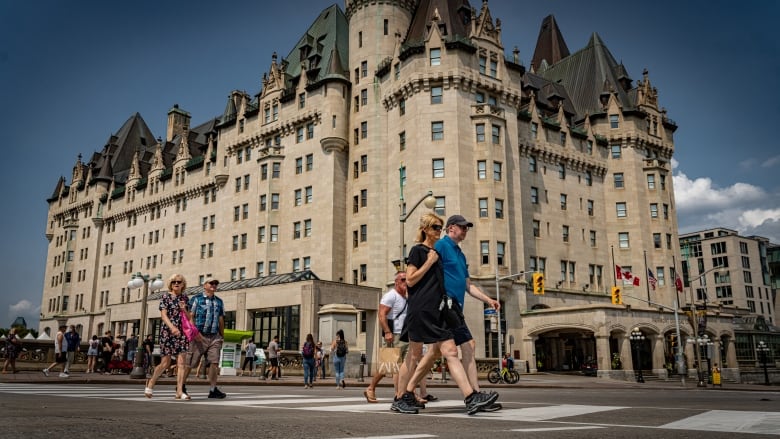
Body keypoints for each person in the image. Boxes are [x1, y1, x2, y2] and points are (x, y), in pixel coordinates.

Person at [392, 213, 498, 415]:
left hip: (437, 308)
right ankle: (402, 396)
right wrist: (430, 262)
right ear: (425, 229)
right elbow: (411, 280)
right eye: (434, 227)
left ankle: (470, 396)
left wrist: (487, 299)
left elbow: (460, 282)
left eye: (439, 228)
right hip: (422, 309)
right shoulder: (421, 251)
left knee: (439, 352)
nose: (438, 232)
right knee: (419, 355)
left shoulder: (438, 252)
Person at [436, 214, 502, 412]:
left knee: (467, 346)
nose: (465, 231)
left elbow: (467, 286)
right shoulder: (441, 246)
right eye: (462, 227)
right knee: (450, 350)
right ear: (451, 228)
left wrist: (488, 299)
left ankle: (476, 395)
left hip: (456, 307)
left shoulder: (461, 254)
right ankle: (407, 392)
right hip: (445, 305)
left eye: (466, 228)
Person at [364, 272, 432, 404]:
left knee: (407, 366)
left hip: (407, 335)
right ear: (396, 282)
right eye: (402, 279)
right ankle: (374, 388)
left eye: (407, 279)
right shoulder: (390, 296)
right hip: (395, 335)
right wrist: (387, 331)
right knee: (388, 367)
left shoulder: (407, 296)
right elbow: (382, 314)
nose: (405, 282)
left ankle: (407, 393)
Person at [144, 274, 190, 400]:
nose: (176, 283)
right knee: (165, 363)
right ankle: (151, 382)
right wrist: (172, 327)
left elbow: (189, 317)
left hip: (182, 333)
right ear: (171, 284)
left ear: (182, 284)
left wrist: (184, 309)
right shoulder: (166, 297)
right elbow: (163, 315)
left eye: (179, 281)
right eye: (174, 281)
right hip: (168, 332)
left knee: (181, 363)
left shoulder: (185, 298)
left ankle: (179, 391)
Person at [185, 277, 226, 399]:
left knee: (214, 362)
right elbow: (190, 316)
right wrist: (194, 332)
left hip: (214, 336)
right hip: (199, 335)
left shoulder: (219, 301)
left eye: (216, 283)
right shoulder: (196, 299)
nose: (214, 285)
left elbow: (221, 319)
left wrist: (222, 336)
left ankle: (213, 389)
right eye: (211, 283)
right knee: (190, 362)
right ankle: (181, 386)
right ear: (205, 285)